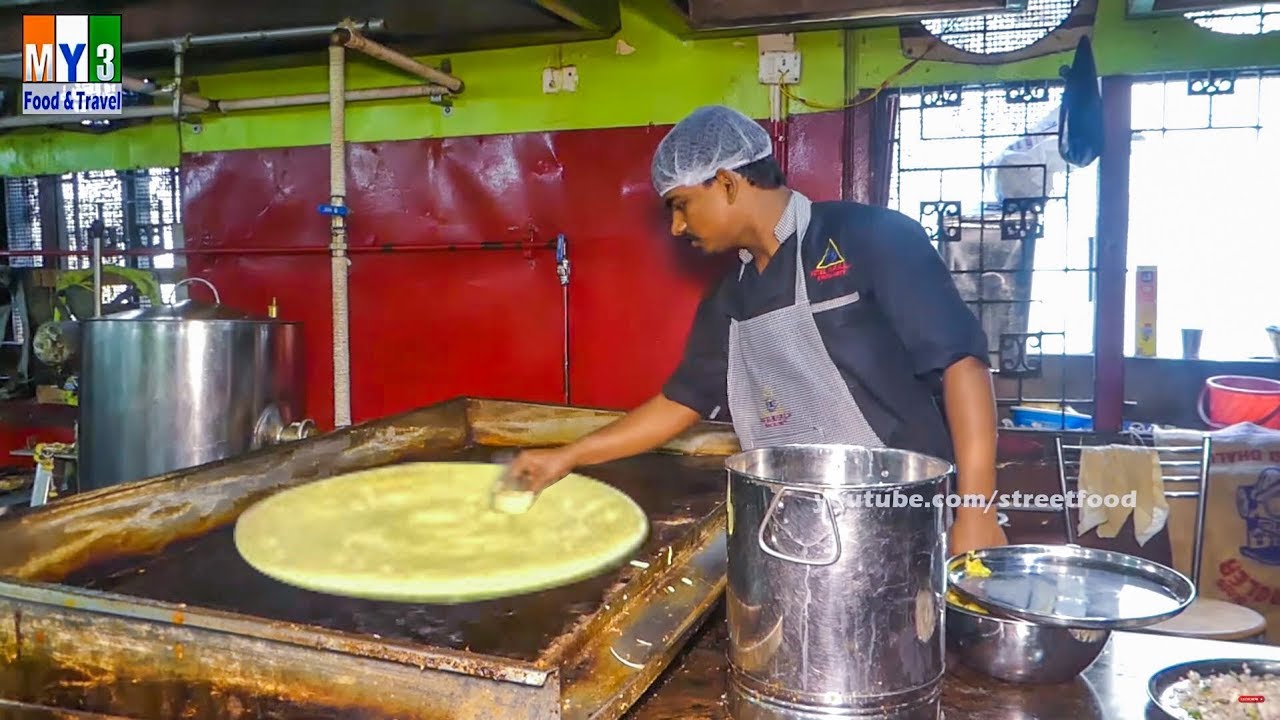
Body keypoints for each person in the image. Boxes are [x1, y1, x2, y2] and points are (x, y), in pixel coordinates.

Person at [502, 105, 1007, 554]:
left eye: (680, 204)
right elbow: (681, 403)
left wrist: (977, 509)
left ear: (726, 182)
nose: (678, 227)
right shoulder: (730, 297)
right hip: (795, 529)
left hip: (902, 519)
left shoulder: (872, 237)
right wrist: (566, 457)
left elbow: (961, 363)